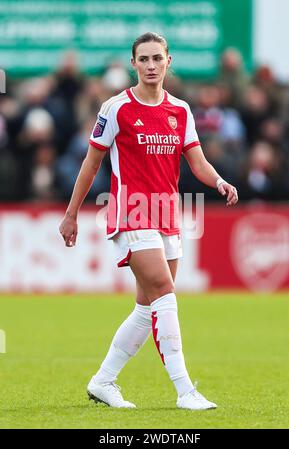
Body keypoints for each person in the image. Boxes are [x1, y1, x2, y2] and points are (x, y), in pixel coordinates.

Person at [59, 32, 238, 410]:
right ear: (134, 64)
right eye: (144, 59)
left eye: (158, 58)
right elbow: (92, 163)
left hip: (167, 213)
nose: (152, 65)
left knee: (146, 307)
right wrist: (72, 213)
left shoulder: (181, 111)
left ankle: (103, 382)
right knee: (164, 292)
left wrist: (219, 180)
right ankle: (185, 391)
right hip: (131, 210)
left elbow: (197, 161)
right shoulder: (115, 108)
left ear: (168, 61)